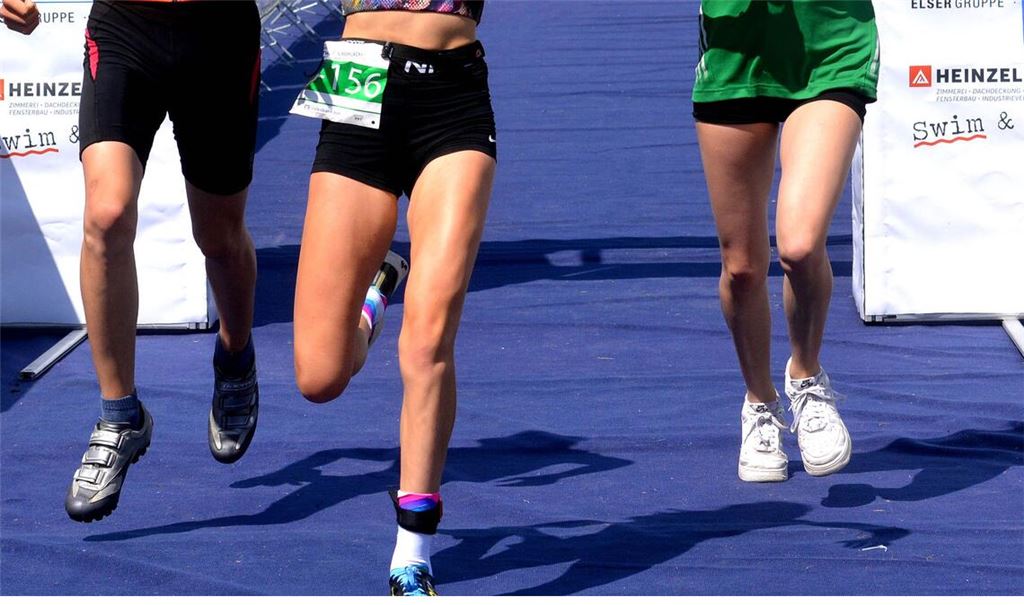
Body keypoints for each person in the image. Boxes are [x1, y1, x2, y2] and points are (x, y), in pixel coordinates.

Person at [2, 0, 263, 520]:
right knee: (106, 214)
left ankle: (235, 357)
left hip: (220, 35)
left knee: (218, 235)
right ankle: (120, 416)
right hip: (125, 26)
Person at [288, 0, 494, 595]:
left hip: (452, 96)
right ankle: (375, 295)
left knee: (428, 340)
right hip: (357, 84)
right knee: (319, 376)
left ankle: (414, 548)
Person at [691, 1, 879, 482]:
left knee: (798, 245)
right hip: (737, 53)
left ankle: (807, 378)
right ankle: (759, 404)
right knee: (743, 267)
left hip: (831, 42)